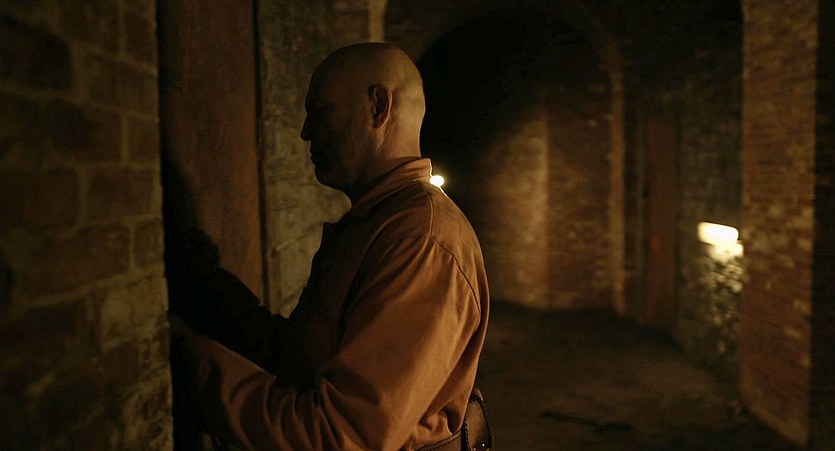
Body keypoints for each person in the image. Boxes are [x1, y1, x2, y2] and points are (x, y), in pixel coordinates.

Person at [173, 42, 490, 451]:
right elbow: (300, 359)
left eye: (320, 111)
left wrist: (189, 363)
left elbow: (341, 437)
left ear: (378, 107)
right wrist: (207, 290)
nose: (306, 131)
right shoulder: (376, 224)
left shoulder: (420, 241)